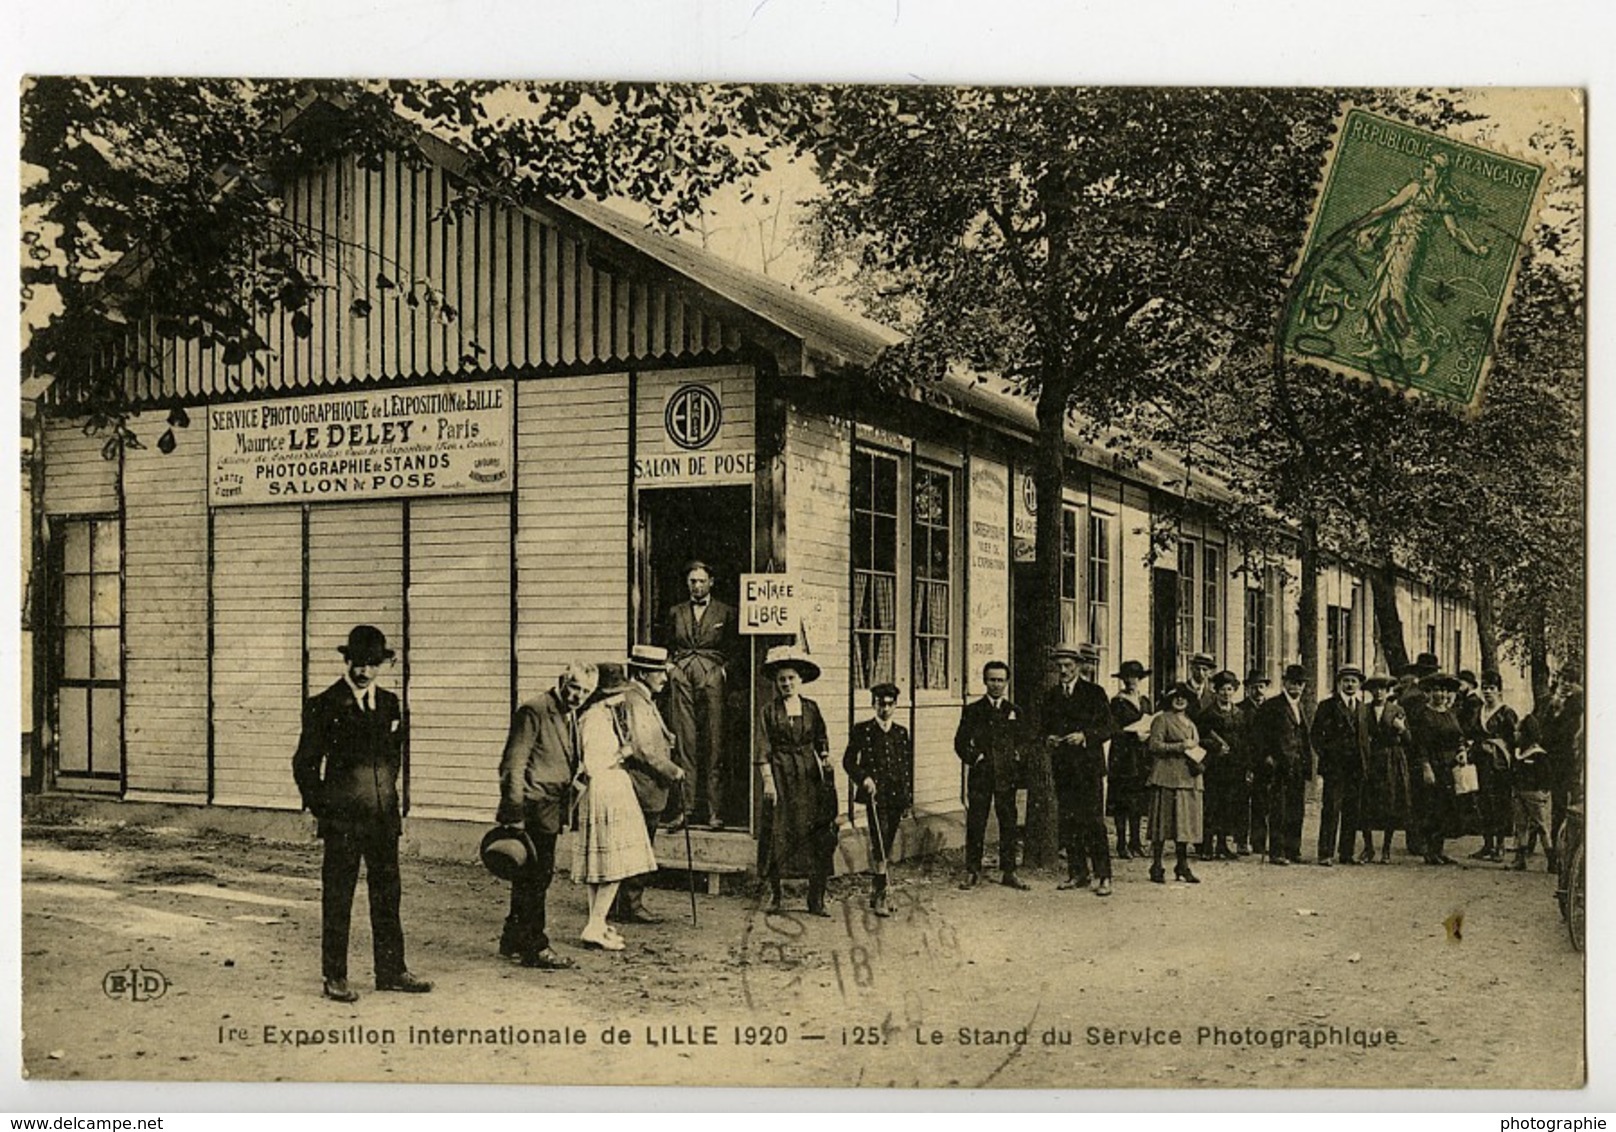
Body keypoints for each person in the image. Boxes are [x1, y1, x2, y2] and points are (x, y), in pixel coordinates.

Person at [292, 625, 431, 1003]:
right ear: (346, 660)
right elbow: (304, 765)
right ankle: (334, 976)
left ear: (382, 665)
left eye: (372, 664)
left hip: (383, 821)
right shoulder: (323, 705)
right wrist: (326, 809)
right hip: (343, 824)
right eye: (358, 662)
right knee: (338, 899)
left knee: (388, 896)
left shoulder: (389, 704)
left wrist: (388, 797)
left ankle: (391, 971)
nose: (364, 671)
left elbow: (393, 758)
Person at [494, 660, 597, 970]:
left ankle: (513, 939)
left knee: (532, 877)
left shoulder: (571, 715)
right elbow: (512, 765)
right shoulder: (534, 710)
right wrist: (513, 813)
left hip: (551, 808)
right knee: (535, 879)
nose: (579, 695)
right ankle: (535, 947)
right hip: (531, 809)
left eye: (586, 691)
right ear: (562, 681)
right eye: (575, 687)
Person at [1354, 150, 1491, 378]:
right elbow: (1390, 207)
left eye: (1429, 165)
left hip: (1409, 250)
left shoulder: (1437, 197)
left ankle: (1424, 352)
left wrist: (1476, 249)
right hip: (1395, 245)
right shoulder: (1416, 189)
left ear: (1438, 171)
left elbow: (1455, 231)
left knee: (1397, 297)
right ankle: (1381, 345)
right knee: (1382, 292)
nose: (1424, 168)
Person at [572, 664, 681, 951]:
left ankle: (598, 922)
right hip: (606, 790)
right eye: (618, 692)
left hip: (612, 789)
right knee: (612, 865)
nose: (623, 697)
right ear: (607, 694)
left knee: (605, 864)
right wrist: (624, 752)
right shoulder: (595, 719)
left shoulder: (605, 715)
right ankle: (594, 924)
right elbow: (594, 764)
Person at [756, 645, 838, 916]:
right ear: (776, 683)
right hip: (780, 774)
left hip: (807, 777)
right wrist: (768, 780)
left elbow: (821, 738)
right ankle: (776, 895)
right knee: (777, 831)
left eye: (791, 678)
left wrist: (825, 757)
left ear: (800, 680)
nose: (786, 684)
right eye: (782, 679)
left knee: (815, 833)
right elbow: (763, 746)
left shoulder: (811, 708)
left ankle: (816, 898)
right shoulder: (768, 711)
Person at [662, 560, 738, 831]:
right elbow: (666, 646)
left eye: (701, 581)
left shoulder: (726, 612)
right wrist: (671, 668)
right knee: (685, 744)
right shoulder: (676, 612)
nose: (696, 586)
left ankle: (715, 812)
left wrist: (723, 673)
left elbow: (736, 652)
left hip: (713, 682)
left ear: (711, 582)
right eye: (692, 581)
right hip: (682, 680)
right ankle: (686, 809)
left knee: (714, 744)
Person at [612, 646, 686, 925]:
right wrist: (672, 769)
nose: (665, 678)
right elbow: (642, 747)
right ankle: (630, 905)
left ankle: (623, 903)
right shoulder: (634, 700)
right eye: (659, 673)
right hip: (643, 785)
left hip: (649, 786)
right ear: (643, 673)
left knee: (637, 844)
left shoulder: (644, 698)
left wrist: (667, 737)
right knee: (638, 846)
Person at [1043, 644, 1117, 896]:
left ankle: (1103, 876)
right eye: (1059, 666)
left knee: (1094, 822)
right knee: (1069, 820)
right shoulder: (1052, 695)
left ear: (1078, 666)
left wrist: (1085, 736)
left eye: (1068, 666)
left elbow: (1108, 727)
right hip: (1063, 767)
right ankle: (1077, 873)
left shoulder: (1095, 693)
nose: (1063, 671)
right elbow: (1044, 726)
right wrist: (1049, 738)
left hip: (1088, 768)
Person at [954, 660, 1028, 891]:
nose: (996, 685)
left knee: (1008, 823)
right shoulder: (973, 710)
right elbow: (960, 742)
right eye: (992, 680)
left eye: (1000, 680)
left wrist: (1017, 756)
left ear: (1007, 683)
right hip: (981, 776)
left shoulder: (1014, 711)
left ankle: (1009, 871)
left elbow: (1024, 741)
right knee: (977, 822)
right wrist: (975, 758)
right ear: (985, 681)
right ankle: (972, 870)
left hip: (1006, 777)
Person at [842, 683, 913, 917]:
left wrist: (907, 799)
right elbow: (849, 761)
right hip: (875, 796)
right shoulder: (862, 730)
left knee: (887, 841)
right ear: (873, 704)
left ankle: (877, 889)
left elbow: (906, 767)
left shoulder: (901, 733)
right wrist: (864, 778)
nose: (885, 708)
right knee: (879, 839)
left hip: (896, 797)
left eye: (889, 704)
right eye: (880, 703)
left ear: (895, 705)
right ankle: (882, 893)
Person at [1251, 664, 1313, 866]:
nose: (1296, 687)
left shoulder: (1300, 706)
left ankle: (1293, 849)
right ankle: (1277, 852)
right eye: (1292, 683)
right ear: (1284, 683)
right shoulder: (1272, 706)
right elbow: (1258, 736)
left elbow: (1303, 737)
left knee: (1297, 809)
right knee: (1279, 809)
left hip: (1297, 764)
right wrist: (1267, 757)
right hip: (1279, 766)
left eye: (1300, 684)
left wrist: (1306, 763)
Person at [1312, 665, 1371, 867]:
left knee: (1352, 810)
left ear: (1359, 684)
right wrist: (1328, 757)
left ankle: (1347, 853)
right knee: (1331, 809)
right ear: (1339, 683)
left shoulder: (1363, 708)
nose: (1350, 684)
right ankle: (1325, 853)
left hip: (1356, 767)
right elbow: (1315, 736)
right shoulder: (1327, 706)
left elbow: (1365, 738)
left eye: (1354, 681)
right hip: (1335, 768)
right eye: (1346, 680)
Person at [1146, 683, 1205, 884]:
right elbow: (1154, 745)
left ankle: (1182, 865)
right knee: (1162, 824)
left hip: (1188, 779)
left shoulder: (1190, 722)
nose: (1180, 700)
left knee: (1184, 825)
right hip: (1167, 777)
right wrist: (1181, 746)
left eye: (1184, 697)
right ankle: (1156, 865)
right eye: (1176, 697)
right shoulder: (1162, 719)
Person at [1407, 672, 1466, 866]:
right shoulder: (1423, 715)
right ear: (1429, 692)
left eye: (1443, 690)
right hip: (1432, 764)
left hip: (1450, 766)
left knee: (1446, 808)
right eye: (1435, 690)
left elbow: (1459, 736)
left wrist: (1462, 750)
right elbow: (1420, 744)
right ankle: (1429, 851)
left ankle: (1439, 850)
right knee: (1431, 807)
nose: (1440, 694)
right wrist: (1426, 767)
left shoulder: (1450, 713)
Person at [1465, 670, 1518, 863]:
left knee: (1500, 803)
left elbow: (1513, 741)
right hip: (1481, 762)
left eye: (1492, 688)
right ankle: (1487, 844)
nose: (1487, 692)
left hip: (1500, 764)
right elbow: (1471, 733)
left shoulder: (1506, 713)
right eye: (1485, 688)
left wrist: (1497, 745)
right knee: (1483, 803)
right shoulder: (1478, 712)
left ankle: (1500, 845)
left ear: (1499, 691)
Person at [1197, 670, 1249, 862]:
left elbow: (1245, 741)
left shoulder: (1240, 714)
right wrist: (1215, 746)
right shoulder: (1207, 714)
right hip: (1214, 767)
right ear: (1216, 691)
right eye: (1222, 690)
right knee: (1212, 805)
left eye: (1229, 689)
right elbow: (1198, 739)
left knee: (1228, 806)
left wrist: (1246, 765)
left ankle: (1222, 844)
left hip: (1234, 767)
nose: (1226, 693)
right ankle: (1207, 846)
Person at [1361, 668, 1412, 863]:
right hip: (1371, 758)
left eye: (1382, 688)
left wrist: (1402, 729)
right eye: (1375, 689)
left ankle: (1386, 849)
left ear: (1388, 690)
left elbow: (1409, 739)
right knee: (1366, 803)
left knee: (1391, 803)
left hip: (1392, 758)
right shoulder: (1363, 710)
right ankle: (1368, 847)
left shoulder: (1397, 710)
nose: (1379, 692)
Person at [1107, 661, 1153, 860]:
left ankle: (1136, 841)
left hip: (1141, 755)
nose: (1132, 681)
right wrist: (1134, 735)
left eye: (1136, 677)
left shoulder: (1145, 701)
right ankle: (1120, 843)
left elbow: (1151, 723)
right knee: (1122, 801)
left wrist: (1148, 733)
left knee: (1138, 800)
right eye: (1128, 677)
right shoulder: (1117, 702)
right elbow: (1113, 729)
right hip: (1123, 756)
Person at [1509, 705, 1554, 871]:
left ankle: (1551, 860)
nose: (1516, 734)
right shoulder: (1519, 752)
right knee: (1520, 825)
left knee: (1541, 826)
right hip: (1519, 793)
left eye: (1519, 732)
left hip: (1534, 794)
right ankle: (1520, 859)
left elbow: (1546, 776)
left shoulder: (1538, 754)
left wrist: (1543, 791)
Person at [1239, 670, 1271, 857]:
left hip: (1264, 763)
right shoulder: (1241, 709)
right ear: (1247, 689)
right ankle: (1242, 841)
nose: (1258, 691)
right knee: (1242, 803)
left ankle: (1258, 842)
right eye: (1254, 687)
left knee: (1262, 803)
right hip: (1245, 762)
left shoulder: (1271, 708)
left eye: (1261, 686)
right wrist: (1246, 764)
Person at [1186, 652, 1217, 717]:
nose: (1201, 673)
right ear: (1191, 669)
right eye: (1197, 669)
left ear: (1210, 672)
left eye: (1204, 669)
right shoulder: (1181, 690)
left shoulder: (1213, 696)